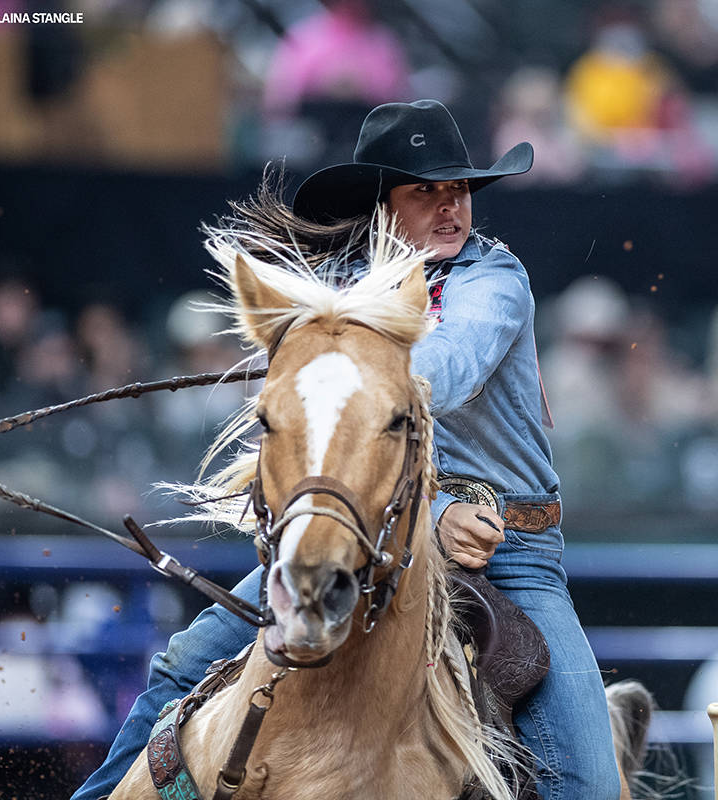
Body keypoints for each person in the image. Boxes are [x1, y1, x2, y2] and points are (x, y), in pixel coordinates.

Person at [71, 99, 622, 800]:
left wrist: (327, 362)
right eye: (426, 191)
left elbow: (435, 378)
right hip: (359, 533)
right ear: (383, 204)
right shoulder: (333, 290)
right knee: (183, 664)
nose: (450, 207)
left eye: (458, 191)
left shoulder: (494, 280)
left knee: (586, 781)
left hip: (511, 552)